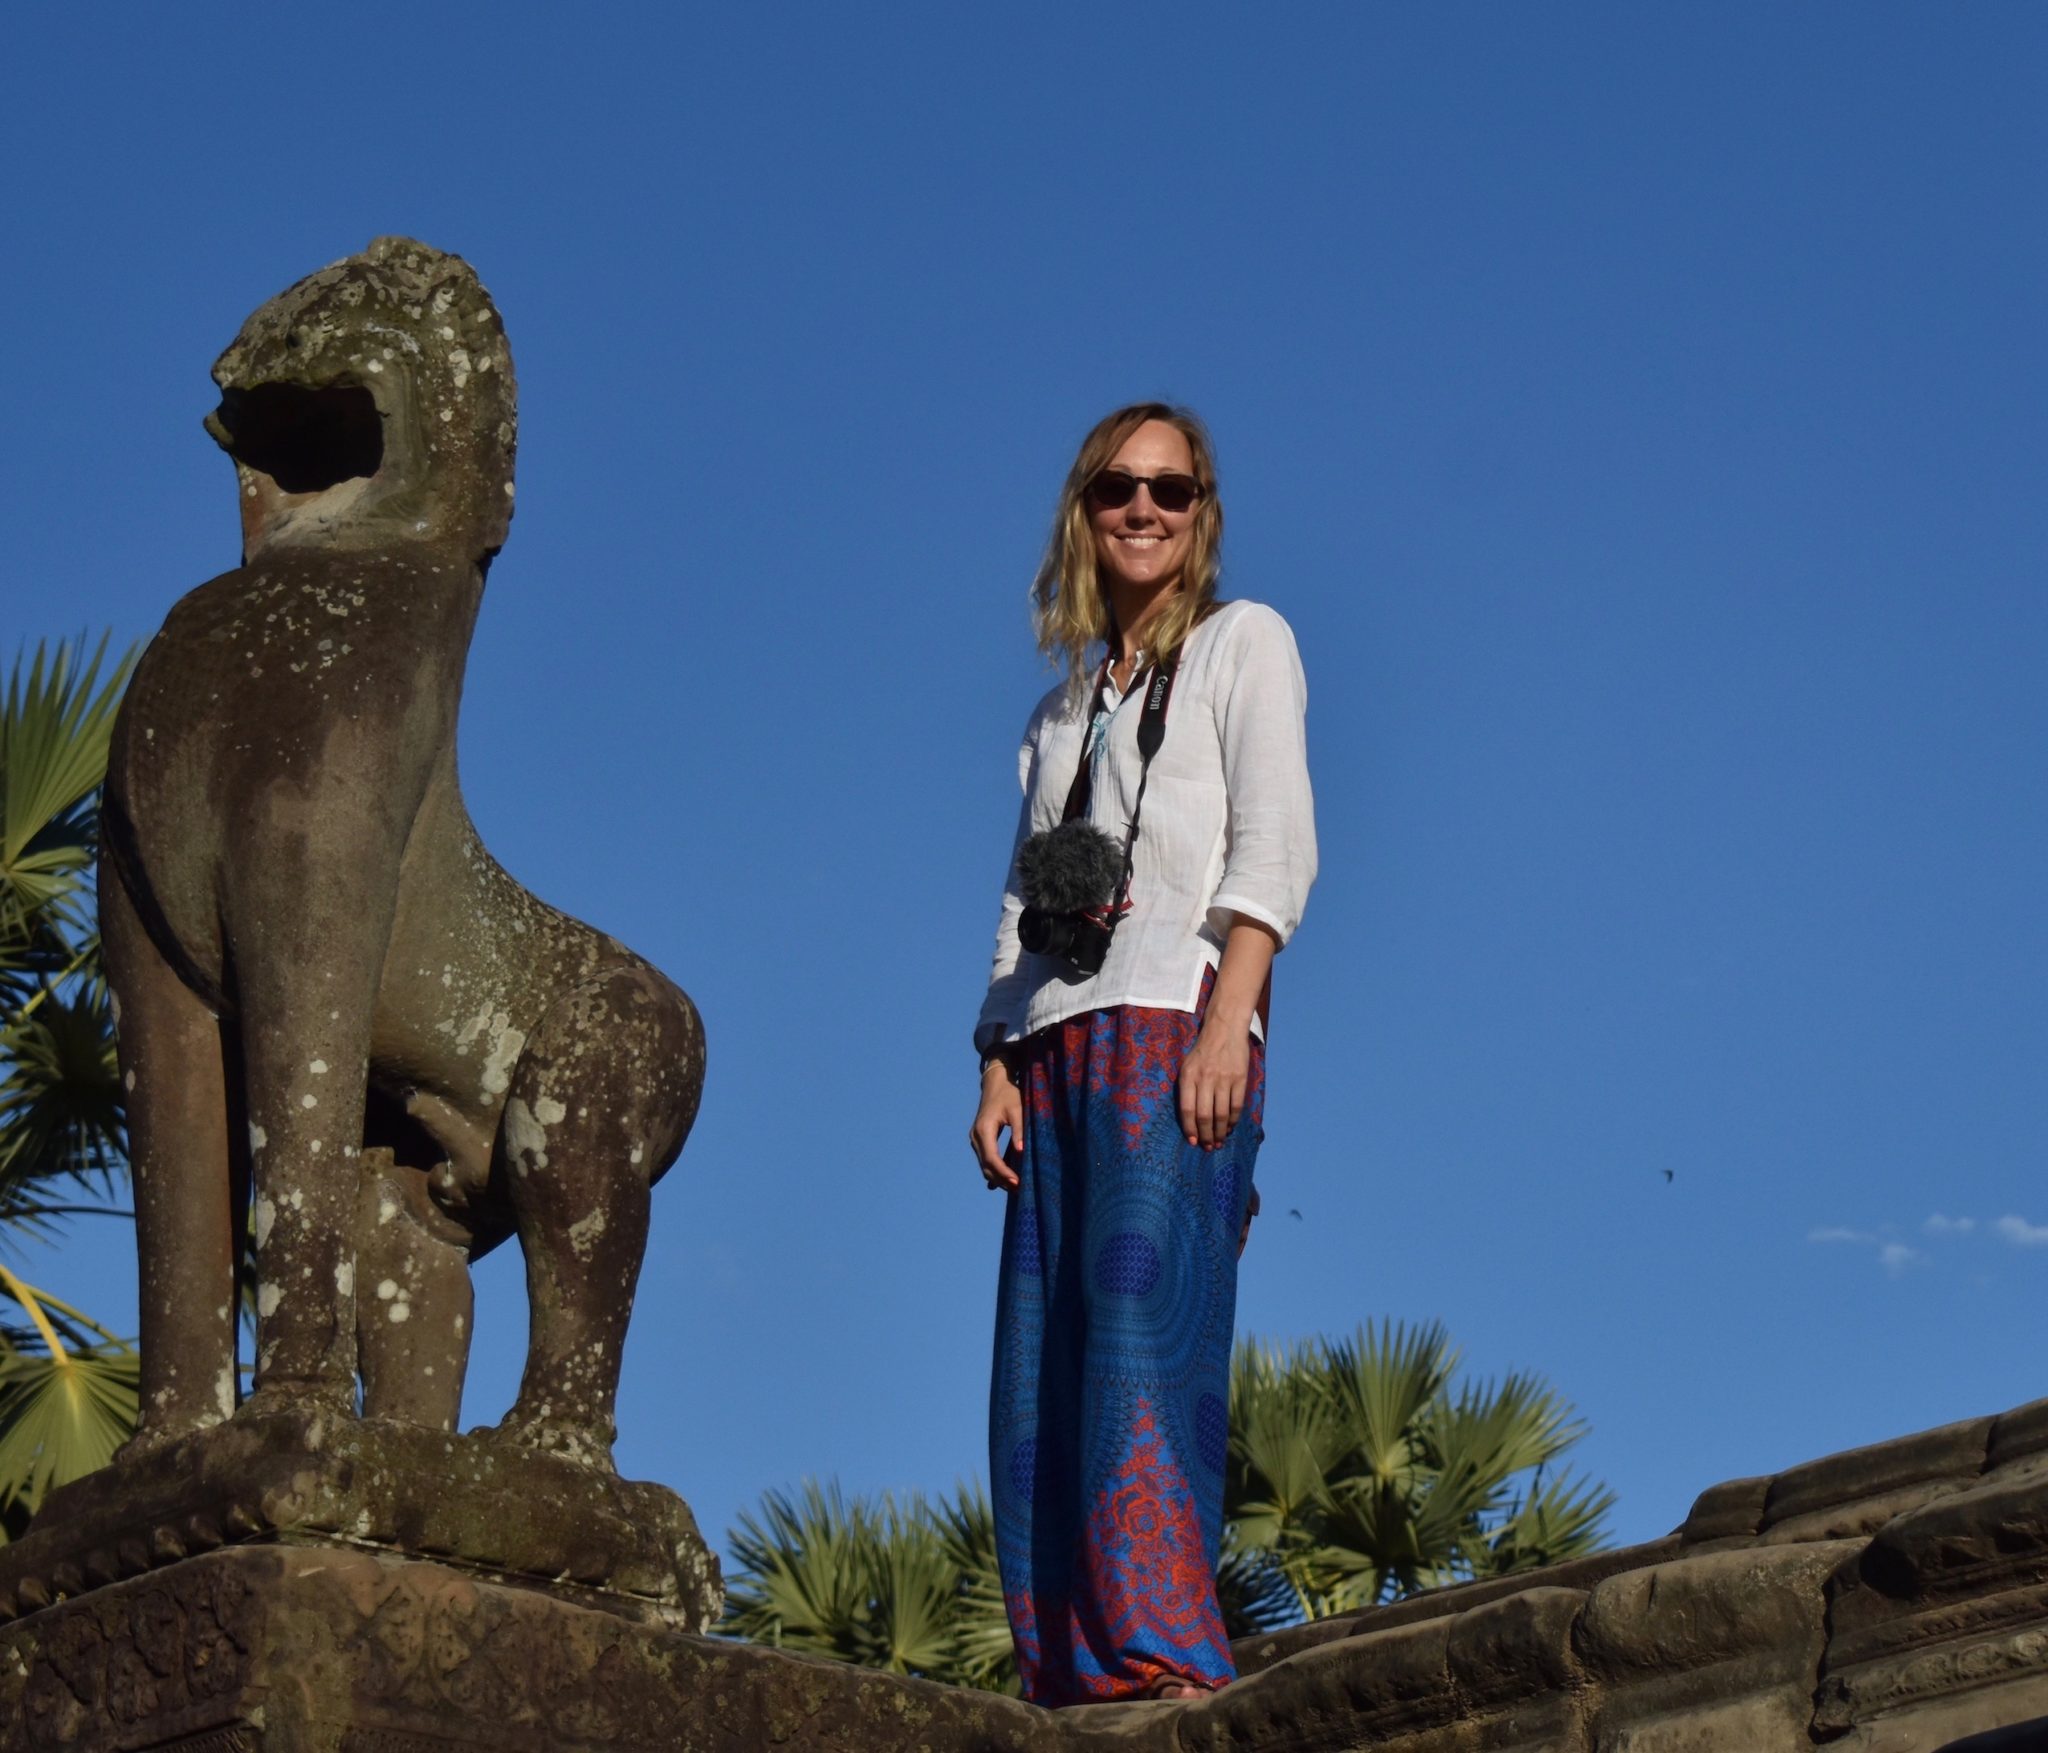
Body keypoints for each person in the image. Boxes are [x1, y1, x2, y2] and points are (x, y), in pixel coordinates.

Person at [971, 403, 1316, 1705]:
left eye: (1172, 490)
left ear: (1203, 510)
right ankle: (1063, 1665)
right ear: (1084, 506)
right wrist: (996, 1058)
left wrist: (1233, 1015)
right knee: (1037, 1367)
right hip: (1055, 1040)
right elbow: (1020, 896)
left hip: (1176, 1020)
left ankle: (1165, 1654)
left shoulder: (1243, 644)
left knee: (1138, 1329)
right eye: (1120, 486)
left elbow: (1276, 843)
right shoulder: (1059, 710)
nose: (1145, 510)